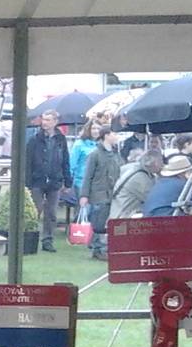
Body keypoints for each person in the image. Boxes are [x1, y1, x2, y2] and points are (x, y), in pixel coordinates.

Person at [24, 110, 71, 252]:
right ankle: (30, 239)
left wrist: (67, 181)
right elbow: (27, 161)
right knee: (35, 211)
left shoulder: (60, 139)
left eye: (48, 120)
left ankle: (47, 241)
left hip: (54, 180)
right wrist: (27, 182)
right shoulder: (34, 139)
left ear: (55, 121)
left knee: (51, 213)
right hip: (37, 180)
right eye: (44, 119)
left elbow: (65, 161)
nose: (45, 122)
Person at [79, 126, 123, 260]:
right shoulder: (95, 154)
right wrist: (84, 195)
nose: (116, 136)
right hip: (99, 193)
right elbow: (88, 176)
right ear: (106, 135)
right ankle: (97, 249)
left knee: (107, 221)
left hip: (113, 193)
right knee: (99, 221)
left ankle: (103, 247)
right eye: (114, 133)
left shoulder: (116, 154)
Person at [111, 150, 161, 221]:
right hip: (121, 219)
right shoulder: (141, 179)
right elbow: (154, 201)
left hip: (114, 212)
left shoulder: (130, 167)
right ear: (156, 163)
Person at [68, 120, 99, 197]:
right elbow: (72, 164)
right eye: (93, 128)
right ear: (88, 129)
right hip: (81, 182)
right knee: (83, 207)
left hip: (97, 183)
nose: (96, 131)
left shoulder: (101, 144)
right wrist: (68, 181)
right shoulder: (79, 144)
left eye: (98, 128)